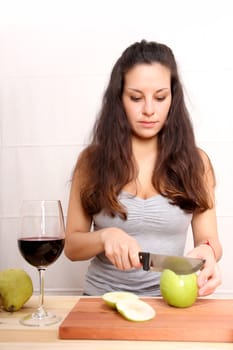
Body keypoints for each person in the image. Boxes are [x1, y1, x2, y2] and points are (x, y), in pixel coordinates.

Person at [64, 39, 222, 297]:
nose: (149, 110)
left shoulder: (197, 162)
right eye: (136, 97)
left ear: (173, 97)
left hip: (170, 300)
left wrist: (207, 251)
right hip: (100, 301)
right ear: (119, 98)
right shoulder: (91, 162)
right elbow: (71, 246)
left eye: (160, 97)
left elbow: (209, 239)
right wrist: (104, 237)